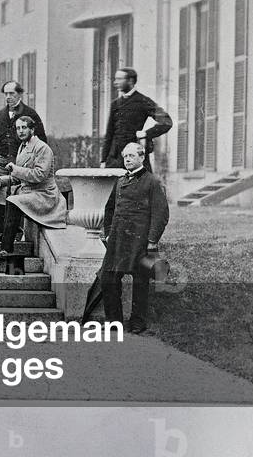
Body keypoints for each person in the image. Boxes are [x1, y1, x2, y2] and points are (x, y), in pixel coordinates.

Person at [100, 142, 170, 333]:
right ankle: (114, 322)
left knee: (140, 282)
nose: (128, 160)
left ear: (141, 158)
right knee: (108, 279)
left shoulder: (152, 182)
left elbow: (161, 214)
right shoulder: (120, 181)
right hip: (117, 241)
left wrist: (152, 240)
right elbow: (109, 209)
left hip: (140, 241)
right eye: (125, 157)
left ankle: (138, 323)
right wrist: (108, 234)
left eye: (131, 156)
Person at [0, 115, 67, 258]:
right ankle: (4, 233)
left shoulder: (42, 148)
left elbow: (39, 175)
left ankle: (6, 248)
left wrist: (15, 169)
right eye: (18, 128)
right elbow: (18, 176)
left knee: (13, 200)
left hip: (44, 195)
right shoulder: (23, 147)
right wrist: (1, 180)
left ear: (32, 129)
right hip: (30, 192)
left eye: (24, 127)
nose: (20, 131)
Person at [0, 80, 47, 240]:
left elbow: (41, 139)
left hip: (20, 162)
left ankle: (16, 231)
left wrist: (29, 157)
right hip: (0, 160)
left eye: (12, 93)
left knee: (17, 192)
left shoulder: (30, 113)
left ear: (19, 94)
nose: (8, 97)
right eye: (5, 94)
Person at [101, 67, 173, 173]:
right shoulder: (115, 104)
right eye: (115, 79)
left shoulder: (142, 101)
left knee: (139, 187)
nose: (115, 82)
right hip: (114, 159)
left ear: (130, 81)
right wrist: (103, 160)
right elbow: (109, 134)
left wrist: (145, 133)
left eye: (119, 79)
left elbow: (167, 121)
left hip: (135, 156)